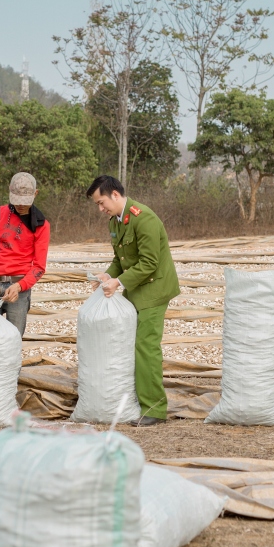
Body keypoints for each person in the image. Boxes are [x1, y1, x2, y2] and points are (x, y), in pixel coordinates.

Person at [88, 175, 180, 427]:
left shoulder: (144, 218)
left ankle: (155, 409)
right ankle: (135, 401)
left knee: (145, 347)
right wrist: (108, 274)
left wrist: (119, 282)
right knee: (129, 345)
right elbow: (122, 259)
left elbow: (149, 262)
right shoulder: (116, 222)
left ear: (115, 195)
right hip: (135, 290)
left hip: (154, 290)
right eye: (97, 204)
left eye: (101, 202)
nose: (100, 208)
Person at [0, 173, 50, 335]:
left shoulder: (41, 224)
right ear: (9, 192)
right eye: (16, 200)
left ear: (35, 194)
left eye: (25, 201)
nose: (21, 205)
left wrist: (19, 286)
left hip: (20, 289)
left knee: (13, 338)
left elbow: (39, 267)